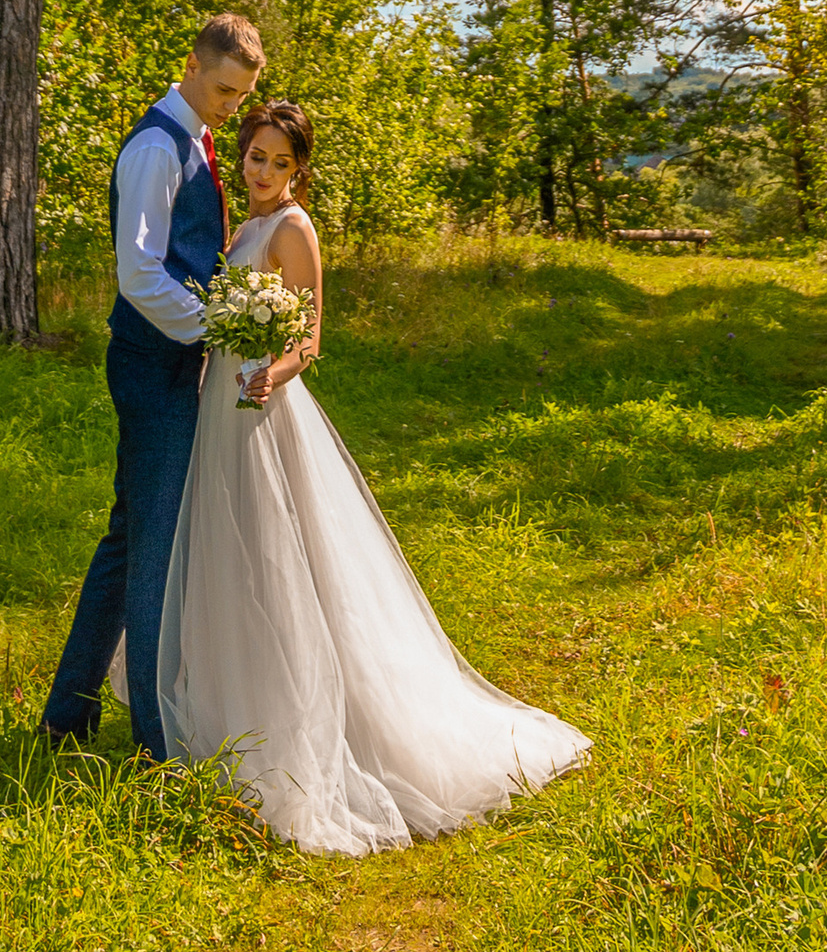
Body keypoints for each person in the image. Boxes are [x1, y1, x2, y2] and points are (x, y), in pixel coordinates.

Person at [154, 97, 590, 855]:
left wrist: (269, 374)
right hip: (221, 406)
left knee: (278, 556)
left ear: (299, 171)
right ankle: (230, 701)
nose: (262, 172)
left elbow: (311, 341)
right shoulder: (244, 224)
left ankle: (307, 723)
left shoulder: (292, 230)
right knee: (232, 552)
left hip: (261, 407)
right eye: (255, 157)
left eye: (278, 163)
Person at [42, 12, 265, 761]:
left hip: (171, 360)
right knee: (155, 551)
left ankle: (65, 718)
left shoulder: (195, 137)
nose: (233, 107)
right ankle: (156, 741)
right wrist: (215, 330)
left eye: (243, 94)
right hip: (153, 363)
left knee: (130, 535)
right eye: (225, 89)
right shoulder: (155, 146)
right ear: (194, 66)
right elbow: (139, 274)